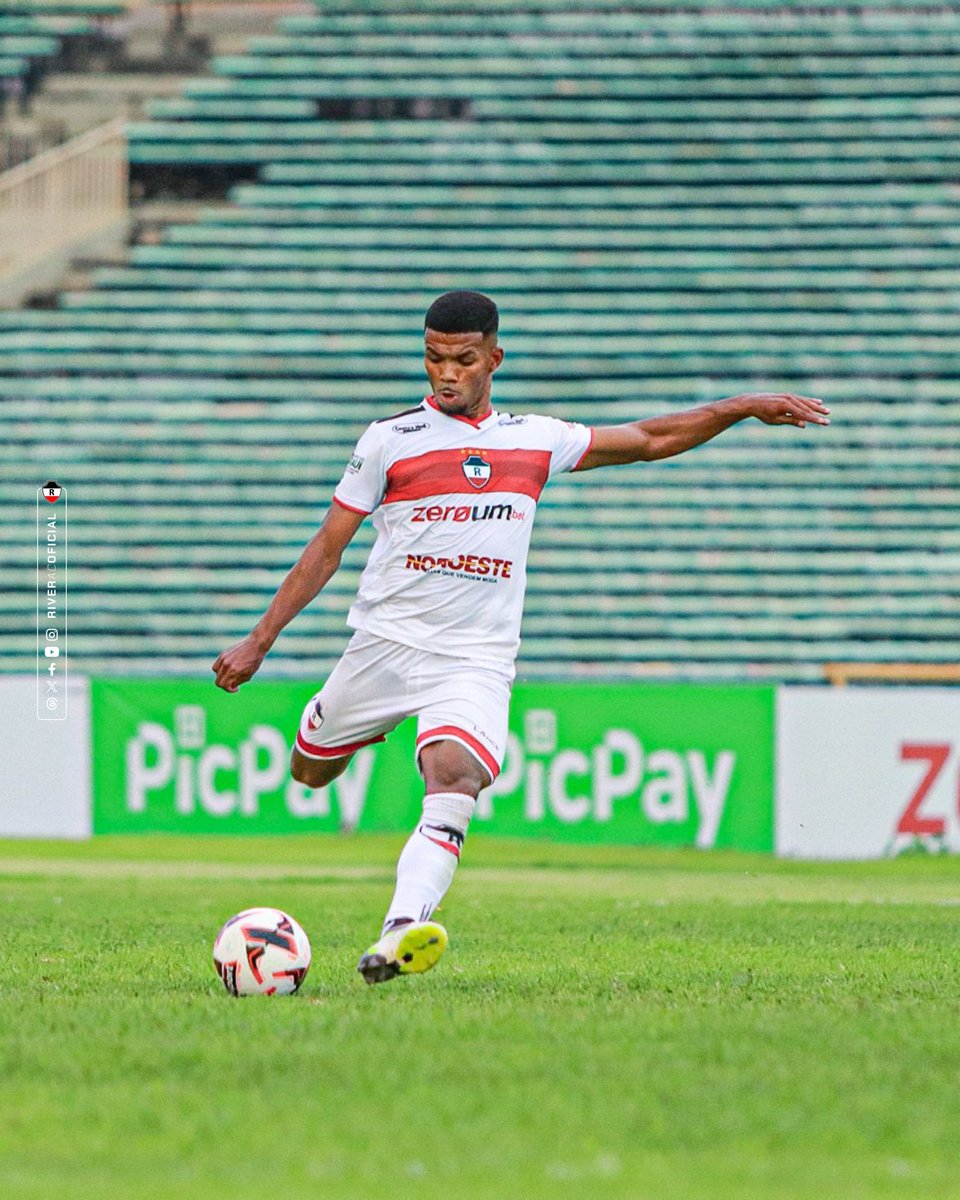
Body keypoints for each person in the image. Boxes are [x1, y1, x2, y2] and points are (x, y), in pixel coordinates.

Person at [212, 289, 830, 984]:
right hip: (384, 646)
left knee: (454, 778)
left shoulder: (533, 438)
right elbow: (328, 546)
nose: (447, 373)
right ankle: (349, 732)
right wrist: (260, 640)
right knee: (310, 772)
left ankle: (400, 931)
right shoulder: (388, 440)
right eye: (433, 359)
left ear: (494, 359)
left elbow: (648, 440)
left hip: (473, 660)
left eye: (463, 360)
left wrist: (738, 407)